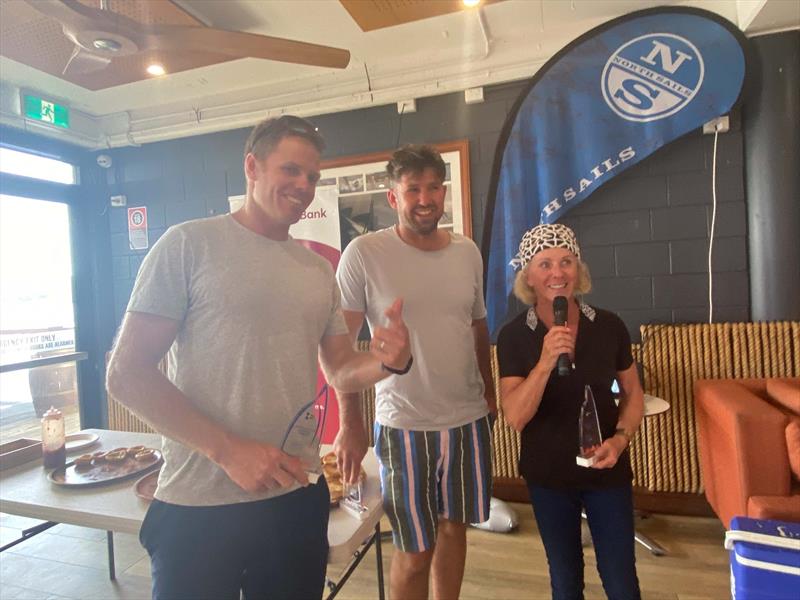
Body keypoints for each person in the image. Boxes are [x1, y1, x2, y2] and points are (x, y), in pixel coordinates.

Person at [106, 115, 411, 600]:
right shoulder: (188, 245)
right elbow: (126, 374)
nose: (303, 186)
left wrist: (388, 361)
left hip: (294, 499)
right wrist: (228, 450)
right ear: (252, 166)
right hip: (199, 502)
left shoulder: (316, 270)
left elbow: (339, 368)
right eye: (290, 170)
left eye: (312, 176)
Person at [335, 144, 496, 600]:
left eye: (432, 188)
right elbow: (340, 348)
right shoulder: (364, 254)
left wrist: (488, 394)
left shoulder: (467, 252)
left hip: (466, 420)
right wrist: (350, 422)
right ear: (393, 197)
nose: (424, 199)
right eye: (412, 190)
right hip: (403, 424)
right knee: (414, 549)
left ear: (443, 192)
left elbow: (477, 324)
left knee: (454, 530)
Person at [496, 223, 644, 600]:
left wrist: (621, 439)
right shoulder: (514, 335)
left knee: (622, 580)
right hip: (549, 477)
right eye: (544, 264)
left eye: (566, 261)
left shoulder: (609, 325)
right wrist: (545, 362)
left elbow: (633, 393)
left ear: (579, 270)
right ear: (528, 275)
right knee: (565, 579)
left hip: (607, 471)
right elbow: (515, 416)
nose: (557, 273)